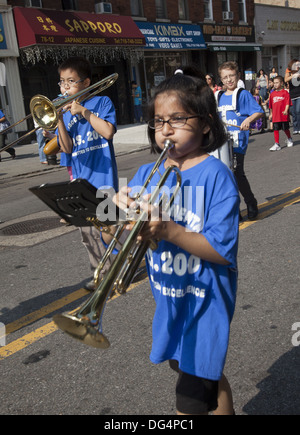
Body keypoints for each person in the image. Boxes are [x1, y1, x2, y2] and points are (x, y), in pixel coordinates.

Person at [111, 71, 240, 415]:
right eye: (158, 121)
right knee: (199, 376)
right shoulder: (144, 174)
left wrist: (170, 231)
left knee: (191, 399)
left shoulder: (217, 176)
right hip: (169, 298)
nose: (165, 129)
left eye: (178, 119)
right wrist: (113, 220)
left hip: (204, 303)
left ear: (206, 124)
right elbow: (122, 234)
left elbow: (222, 250)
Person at [56, 56, 118, 291]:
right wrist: (59, 120)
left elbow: (108, 132)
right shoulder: (65, 112)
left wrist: (83, 112)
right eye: (62, 82)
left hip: (104, 180)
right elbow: (67, 149)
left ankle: (120, 267)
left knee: (108, 231)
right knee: (88, 235)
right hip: (80, 183)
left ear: (86, 82)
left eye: (70, 81)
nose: (65, 87)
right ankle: (100, 276)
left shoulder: (102, 103)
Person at [217, 61, 264, 220]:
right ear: (221, 79)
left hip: (237, 142)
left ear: (237, 76)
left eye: (231, 76)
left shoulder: (242, 94)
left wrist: (248, 120)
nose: (229, 80)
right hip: (222, 143)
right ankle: (234, 210)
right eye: (225, 77)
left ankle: (251, 202)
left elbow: (258, 111)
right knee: (225, 176)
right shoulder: (219, 96)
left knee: (237, 173)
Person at [269, 75, 293, 151]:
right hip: (276, 116)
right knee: (276, 129)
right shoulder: (272, 94)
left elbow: (287, 103)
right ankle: (277, 144)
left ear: (281, 83)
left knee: (285, 128)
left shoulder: (285, 92)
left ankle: (289, 138)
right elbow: (271, 106)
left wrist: (286, 110)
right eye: (274, 83)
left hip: (283, 115)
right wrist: (271, 114)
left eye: (277, 82)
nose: (275, 84)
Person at [284, 59, 300, 135]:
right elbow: (285, 79)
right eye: (296, 65)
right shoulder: (289, 71)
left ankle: (299, 128)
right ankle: (295, 128)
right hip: (292, 95)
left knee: (298, 111)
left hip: (299, 94)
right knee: (293, 112)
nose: (298, 66)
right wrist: (293, 76)